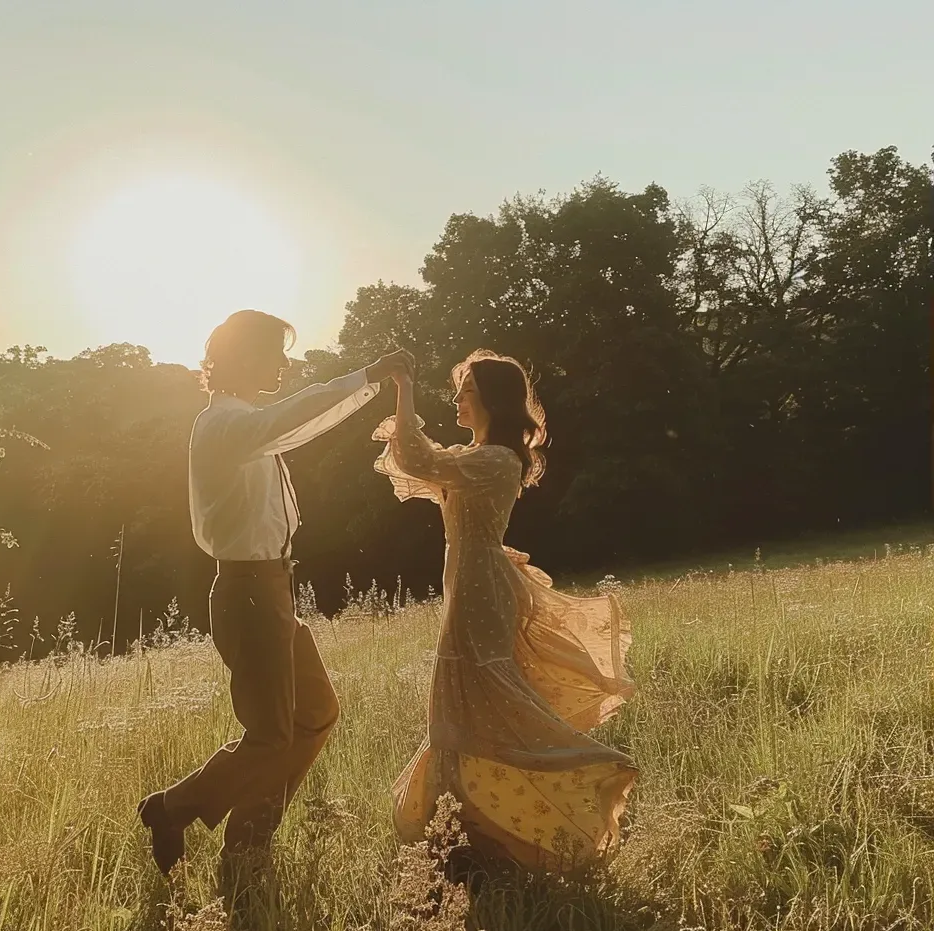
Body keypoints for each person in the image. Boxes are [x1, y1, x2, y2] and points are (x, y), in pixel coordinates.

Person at [138, 309, 413, 876]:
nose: (285, 365)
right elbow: (299, 417)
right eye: (275, 353)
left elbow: (288, 425)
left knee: (316, 713)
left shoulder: (244, 422)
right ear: (241, 357)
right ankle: (174, 810)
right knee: (269, 736)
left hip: (271, 590)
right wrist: (366, 377)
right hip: (249, 593)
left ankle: (246, 839)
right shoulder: (225, 426)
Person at [373, 349, 637, 877]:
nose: (458, 400)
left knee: (474, 706)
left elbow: (417, 460)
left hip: (479, 590)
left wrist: (403, 391)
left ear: (491, 399)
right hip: (471, 585)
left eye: (466, 390)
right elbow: (419, 464)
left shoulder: (493, 461)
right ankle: (468, 836)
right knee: (461, 708)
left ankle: (502, 817)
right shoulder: (476, 457)